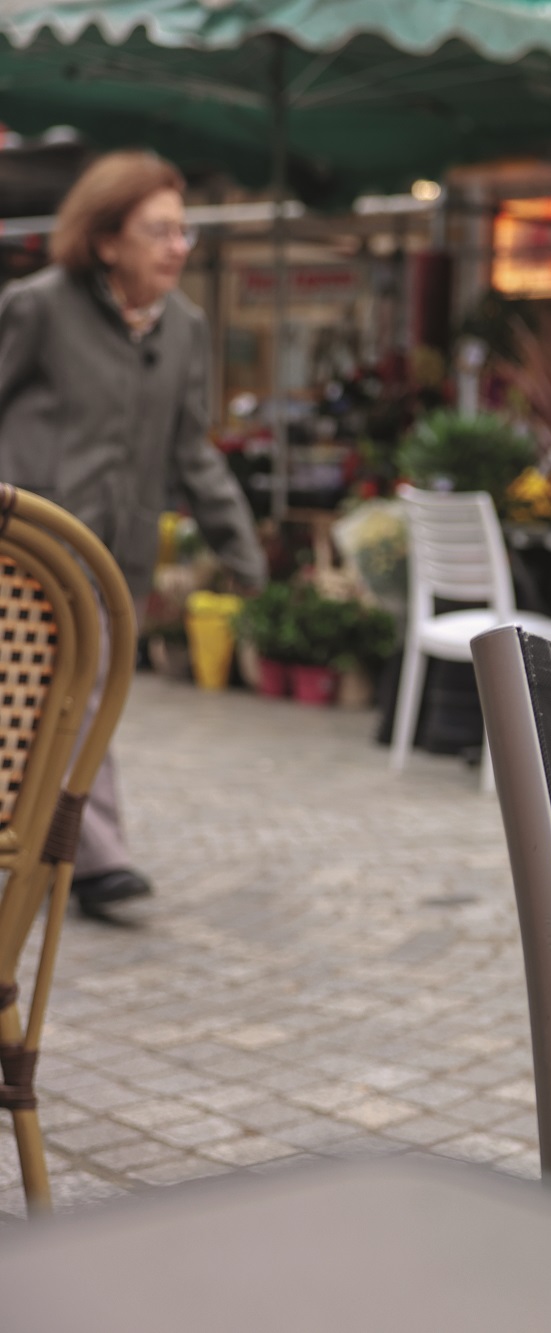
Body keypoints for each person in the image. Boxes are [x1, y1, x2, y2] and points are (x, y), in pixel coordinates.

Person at [0, 151, 266, 919]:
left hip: (120, 562)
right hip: (33, 555)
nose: (179, 247)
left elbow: (192, 450)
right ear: (106, 239)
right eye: (159, 231)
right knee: (64, 702)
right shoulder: (38, 306)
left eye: (183, 232)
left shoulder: (183, 327)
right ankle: (97, 857)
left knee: (81, 706)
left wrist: (242, 554)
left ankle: (60, 851)